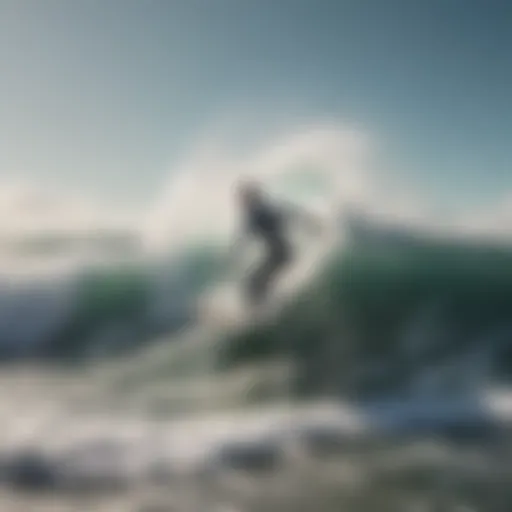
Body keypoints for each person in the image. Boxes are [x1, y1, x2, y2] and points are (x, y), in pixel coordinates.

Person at [231, 180, 321, 310]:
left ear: (251, 197)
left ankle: (262, 308)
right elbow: (289, 214)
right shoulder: (258, 210)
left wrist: (311, 224)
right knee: (256, 283)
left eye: (244, 197)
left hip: (281, 253)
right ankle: (265, 306)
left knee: (254, 284)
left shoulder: (259, 211)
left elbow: (289, 214)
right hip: (280, 252)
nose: (241, 202)